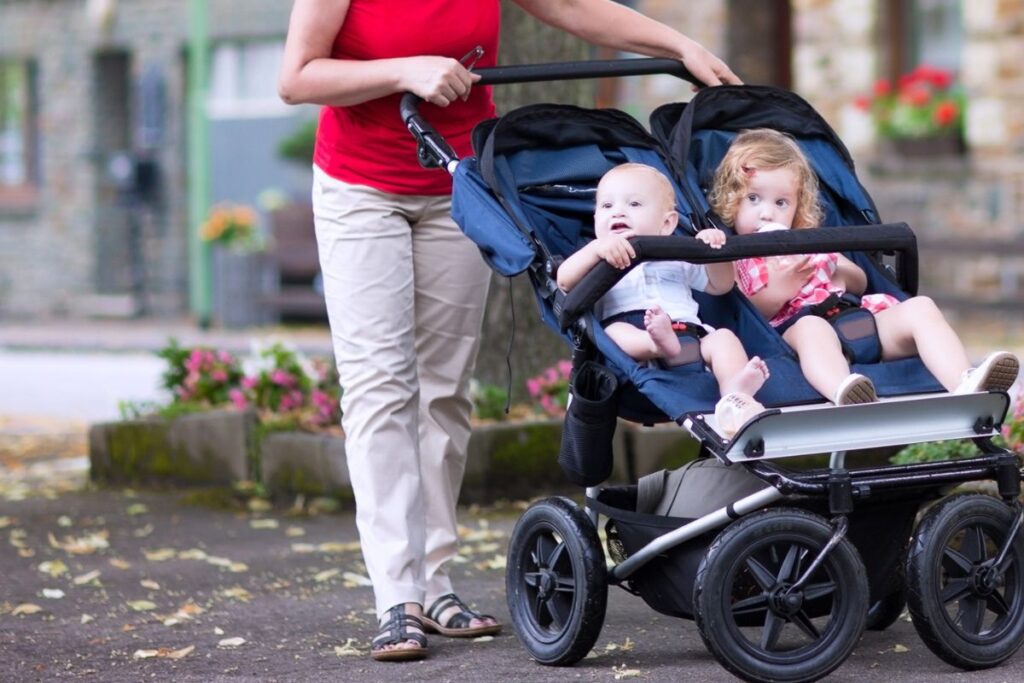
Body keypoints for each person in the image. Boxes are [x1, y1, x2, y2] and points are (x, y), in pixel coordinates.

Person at [278, 0, 742, 663]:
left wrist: (678, 47)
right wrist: (406, 71)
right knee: (380, 385)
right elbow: (296, 77)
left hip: (457, 181)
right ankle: (396, 595)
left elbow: (580, 10)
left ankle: (436, 581)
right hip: (362, 187)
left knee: (444, 386)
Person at [708, 128, 1019, 405]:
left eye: (781, 203)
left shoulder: (808, 242)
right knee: (812, 330)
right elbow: (751, 313)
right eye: (754, 199)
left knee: (920, 307)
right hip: (798, 327)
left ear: (796, 206)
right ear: (733, 201)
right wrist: (781, 288)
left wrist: (835, 269)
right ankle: (843, 389)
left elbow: (858, 282)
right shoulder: (740, 257)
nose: (767, 214)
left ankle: (965, 382)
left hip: (858, 317)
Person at [557, 163, 769, 433]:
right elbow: (564, 279)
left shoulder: (677, 257)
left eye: (634, 204)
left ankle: (735, 393)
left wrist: (712, 249)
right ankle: (656, 343)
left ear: (667, 223)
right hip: (635, 344)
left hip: (691, 340)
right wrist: (598, 249)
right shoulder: (598, 259)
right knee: (613, 332)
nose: (618, 211)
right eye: (606, 206)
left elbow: (722, 285)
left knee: (723, 339)